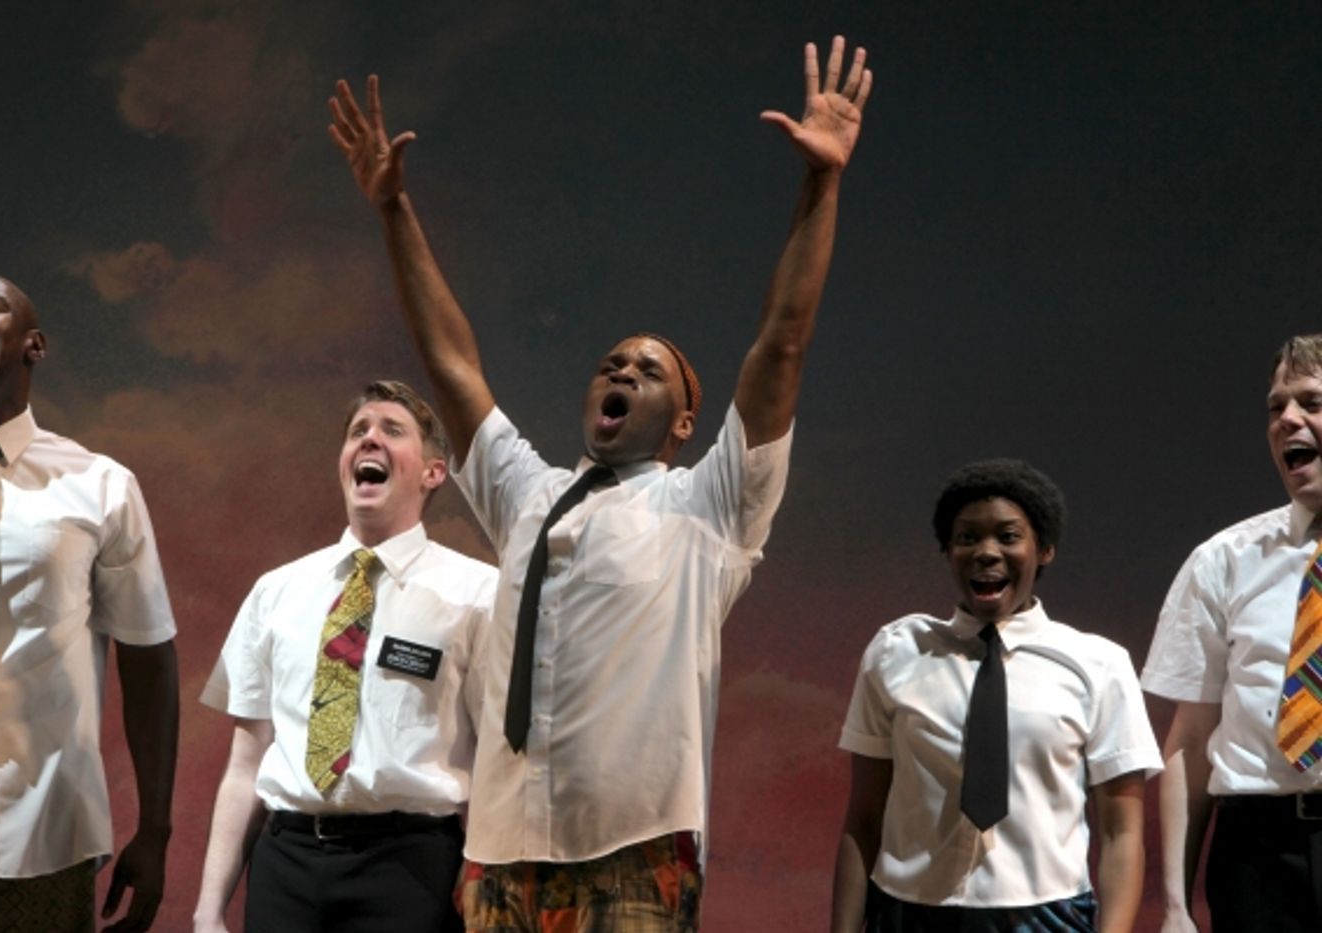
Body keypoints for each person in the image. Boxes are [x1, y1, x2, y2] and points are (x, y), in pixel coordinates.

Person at [328, 35, 871, 931]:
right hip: (500, 851)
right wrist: (393, 211)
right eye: (611, 362)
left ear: (686, 419)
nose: (620, 371)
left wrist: (823, 183)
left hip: (634, 851)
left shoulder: (706, 507)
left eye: (647, 370)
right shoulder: (528, 494)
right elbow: (453, 365)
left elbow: (781, 343)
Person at [0, 274, 179, 932]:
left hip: (43, 835)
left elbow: (149, 661)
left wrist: (154, 831)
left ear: (32, 345)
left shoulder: (100, 486)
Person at [194, 379, 497, 933]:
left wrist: (485, 889)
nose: (369, 440)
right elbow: (245, 765)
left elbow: (497, 760)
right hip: (286, 864)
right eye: (358, 431)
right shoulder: (276, 592)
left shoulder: (478, 594)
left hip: (411, 869)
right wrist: (209, 910)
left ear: (432, 472)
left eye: (391, 431)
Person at [832, 459, 1161, 932]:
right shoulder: (896, 652)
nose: (987, 551)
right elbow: (863, 819)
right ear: (947, 549)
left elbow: (1121, 831)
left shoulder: (1098, 665)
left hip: (1048, 916)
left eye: (1008, 536)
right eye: (967, 537)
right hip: (908, 912)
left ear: (1044, 548)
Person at [1144, 334, 1322, 932]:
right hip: (1258, 855)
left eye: (1311, 402)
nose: (1287, 420)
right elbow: (1190, 741)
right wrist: (1174, 906)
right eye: (1277, 407)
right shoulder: (1225, 560)